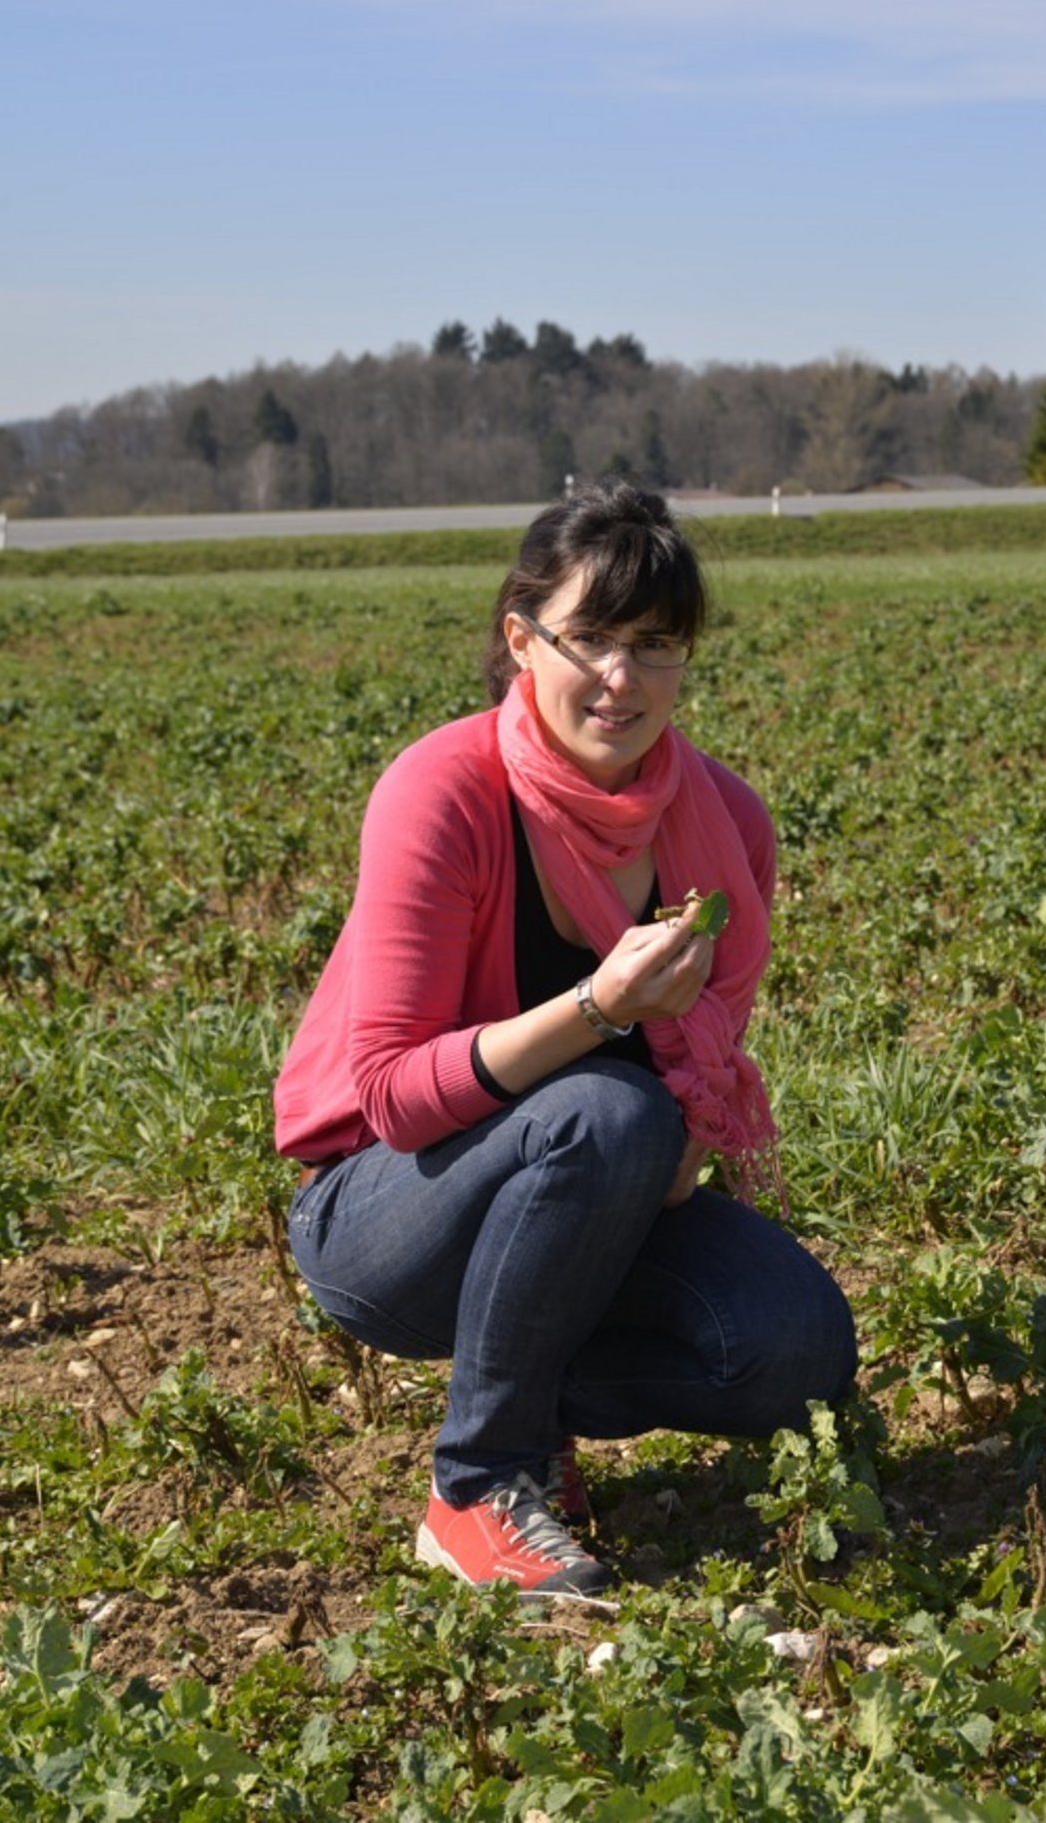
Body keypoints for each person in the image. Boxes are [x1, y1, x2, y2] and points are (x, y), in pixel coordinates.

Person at [274, 480, 857, 1599]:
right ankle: (477, 1484)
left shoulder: (724, 822)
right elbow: (391, 1094)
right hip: (383, 1208)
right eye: (588, 637)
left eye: (654, 644)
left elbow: (693, 1094)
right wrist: (599, 1006)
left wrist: (676, 1131)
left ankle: (525, 1395)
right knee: (605, 1104)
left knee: (794, 1347)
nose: (620, 678)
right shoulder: (442, 792)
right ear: (520, 639)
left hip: (595, 1184)